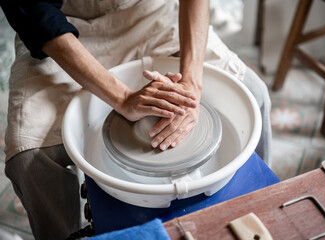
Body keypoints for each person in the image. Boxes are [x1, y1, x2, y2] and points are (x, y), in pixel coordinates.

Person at [0, 0, 272, 239]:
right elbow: (35, 12)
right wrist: (122, 98)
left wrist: (192, 84)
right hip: (62, 33)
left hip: (150, 13)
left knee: (254, 92)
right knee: (29, 159)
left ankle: (262, 209)